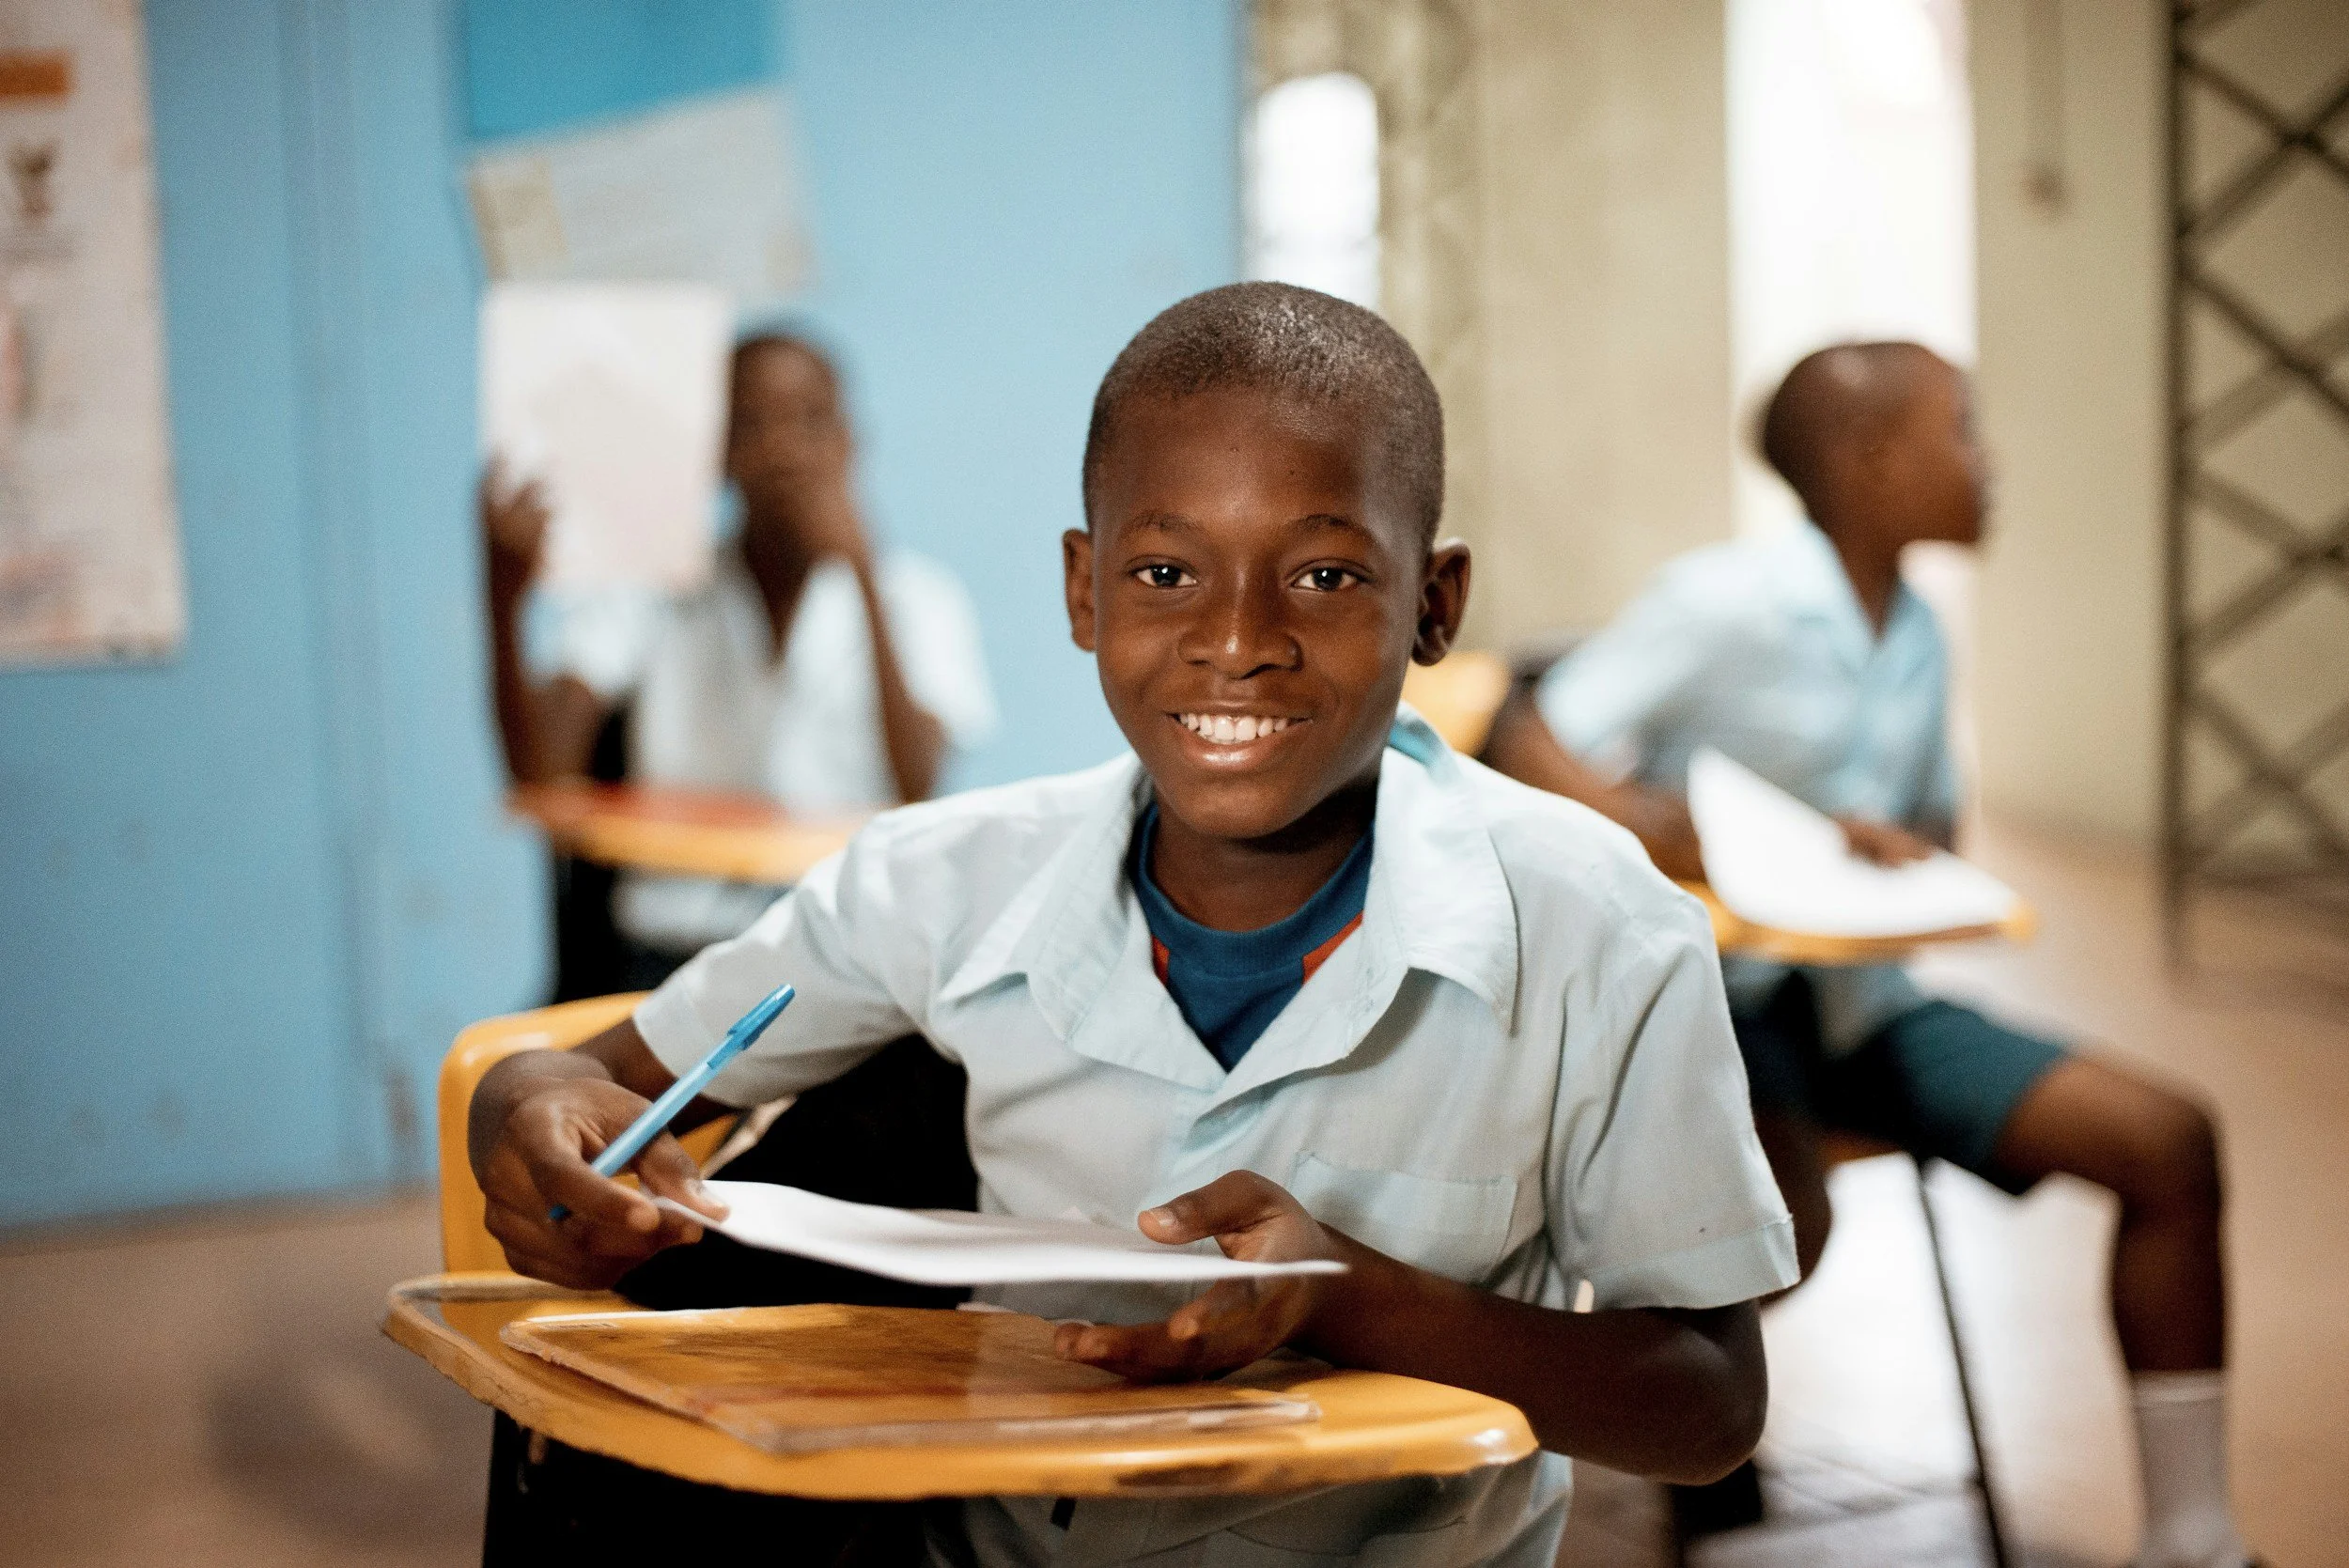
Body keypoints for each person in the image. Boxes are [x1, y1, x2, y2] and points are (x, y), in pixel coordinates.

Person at [467, 282, 1799, 1567]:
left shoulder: (1599, 928)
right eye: (1167, 569)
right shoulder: (942, 880)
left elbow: (1708, 1407)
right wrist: (527, 1116)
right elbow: (589, 1077)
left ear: (1435, 604)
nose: (1238, 640)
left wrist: (1359, 1297)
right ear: (1083, 590)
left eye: (1327, 575)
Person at [1483, 342, 2255, 1568]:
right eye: (1964, 430)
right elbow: (1528, 732)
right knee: (1777, 1221)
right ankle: (1705, 1471)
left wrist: (1891, 846)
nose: (1987, 462)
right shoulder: (1723, 602)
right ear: (1868, 460)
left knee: (2168, 1142)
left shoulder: (1921, 632)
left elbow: (1933, 825)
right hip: (1722, 1009)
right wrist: (1661, 828)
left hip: (1862, 1000)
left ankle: (2195, 1540)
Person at [481, 332, 996, 979]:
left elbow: (918, 782)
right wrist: (503, 599)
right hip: (671, 952)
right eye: (753, 423)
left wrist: (862, 572)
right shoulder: (655, 589)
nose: (783, 449)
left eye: (810, 421)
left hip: (845, 954)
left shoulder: (918, 598)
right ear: (718, 453)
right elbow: (541, 774)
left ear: (849, 443)